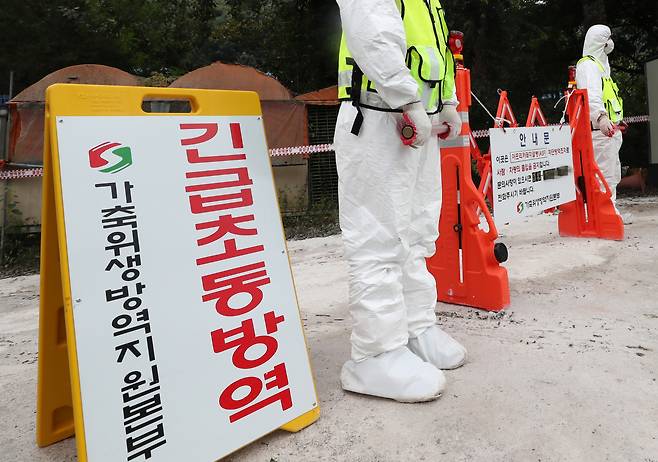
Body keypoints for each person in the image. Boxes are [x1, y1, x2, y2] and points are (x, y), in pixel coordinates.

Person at [334, 0, 467, 403]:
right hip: (377, 120)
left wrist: (446, 102)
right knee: (378, 238)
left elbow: (434, 51)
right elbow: (373, 34)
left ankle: (415, 328)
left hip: (413, 121)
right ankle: (374, 354)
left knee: (416, 231)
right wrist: (406, 99)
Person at [576, 24, 631, 223]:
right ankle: (605, 217)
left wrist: (616, 120)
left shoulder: (600, 65)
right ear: (600, 42)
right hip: (600, 131)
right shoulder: (588, 65)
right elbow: (591, 96)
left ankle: (609, 213)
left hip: (609, 131)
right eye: (607, 38)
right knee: (604, 176)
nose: (610, 43)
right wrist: (600, 117)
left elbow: (609, 98)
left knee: (611, 174)